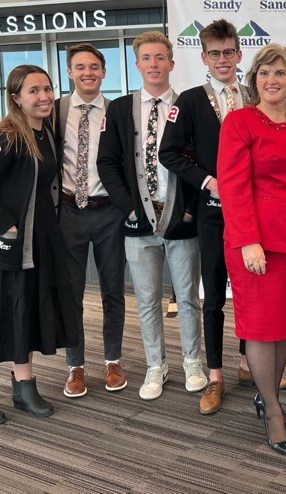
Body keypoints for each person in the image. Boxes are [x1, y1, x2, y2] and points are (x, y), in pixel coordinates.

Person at [160, 19, 286, 416]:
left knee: (253, 297)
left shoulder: (257, 95)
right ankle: (215, 377)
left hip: (257, 215)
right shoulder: (190, 101)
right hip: (214, 215)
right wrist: (207, 181)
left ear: (238, 54)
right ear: (203, 57)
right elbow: (169, 152)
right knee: (214, 297)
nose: (222, 60)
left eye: (229, 52)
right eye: (214, 53)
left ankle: (249, 364)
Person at [0, 64, 77, 425]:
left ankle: (24, 385)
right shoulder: (5, 137)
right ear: (16, 99)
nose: (43, 97)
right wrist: (7, 224)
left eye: (47, 89)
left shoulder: (45, 133)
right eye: (33, 91)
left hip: (37, 244)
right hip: (3, 248)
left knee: (26, 311)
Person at [217, 44, 286, 455]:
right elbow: (233, 185)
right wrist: (247, 240)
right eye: (263, 73)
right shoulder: (240, 122)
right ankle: (273, 410)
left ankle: (267, 395)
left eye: (280, 73)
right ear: (253, 78)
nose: (271, 80)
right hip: (255, 244)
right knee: (261, 327)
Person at [97, 31, 206, 401]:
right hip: (137, 221)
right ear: (137, 63)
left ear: (172, 63)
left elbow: (199, 162)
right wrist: (128, 206)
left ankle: (193, 361)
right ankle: (155, 365)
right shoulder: (119, 110)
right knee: (146, 300)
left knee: (188, 297)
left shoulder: (190, 105)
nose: (154, 64)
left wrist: (190, 209)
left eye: (160, 57)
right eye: (146, 58)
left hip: (181, 218)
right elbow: (106, 164)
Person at [56, 43, 127, 399]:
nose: (88, 73)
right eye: (80, 67)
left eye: (94, 67)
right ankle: (75, 366)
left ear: (104, 71)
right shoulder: (55, 111)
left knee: (113, 291)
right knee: (71, 294)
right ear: (70, 72)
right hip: (68, 213)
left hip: (109, 214)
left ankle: (113, 360)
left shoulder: (117, 111)